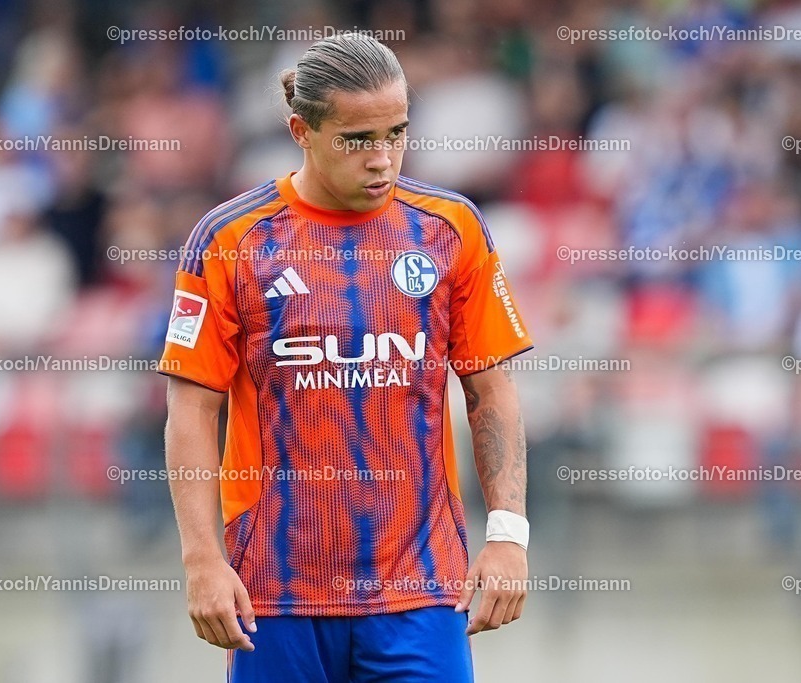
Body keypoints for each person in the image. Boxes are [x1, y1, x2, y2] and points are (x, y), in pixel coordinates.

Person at [158, 33, 533, 683]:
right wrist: (201, 560)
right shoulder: (230, 239)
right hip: (275, 589)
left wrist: (507, 531)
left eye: (396, 133)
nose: (382, 158)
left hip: (419, 587)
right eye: (358, 140)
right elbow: (191, 408)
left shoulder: (450, 229)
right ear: (301, 130)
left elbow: (489, 389)